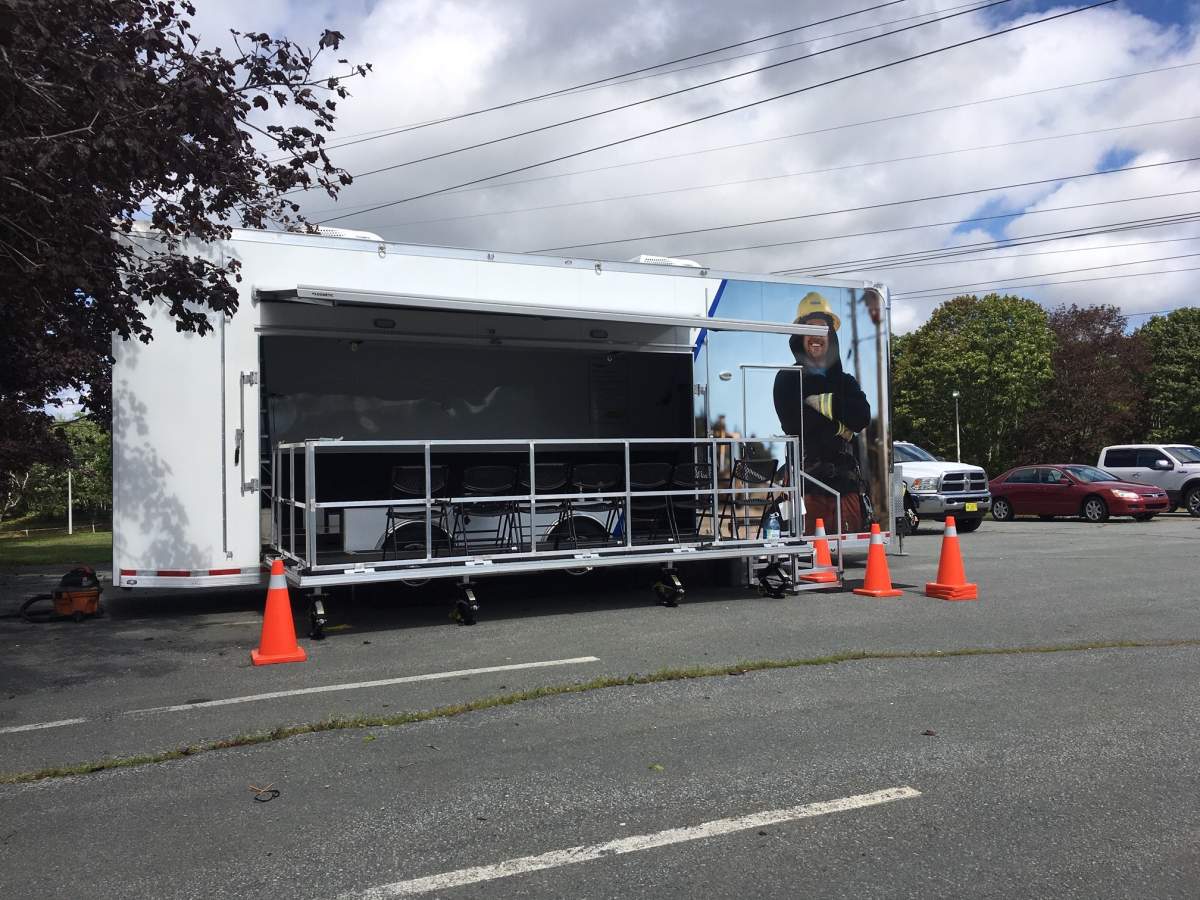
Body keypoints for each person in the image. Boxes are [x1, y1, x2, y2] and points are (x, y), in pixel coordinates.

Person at [772, 292, 872, 533]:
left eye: (822, 330)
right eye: (811, 330)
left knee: (846, 542)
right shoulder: (787, 378)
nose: (817, 337)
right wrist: (841, 425)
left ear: (832, 336)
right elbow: (796, 423)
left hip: (846, 488)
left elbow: (862, 416)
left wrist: (824, 403)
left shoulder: (846, 381)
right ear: (800, 337)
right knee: (810, 547)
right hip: (808, 488)